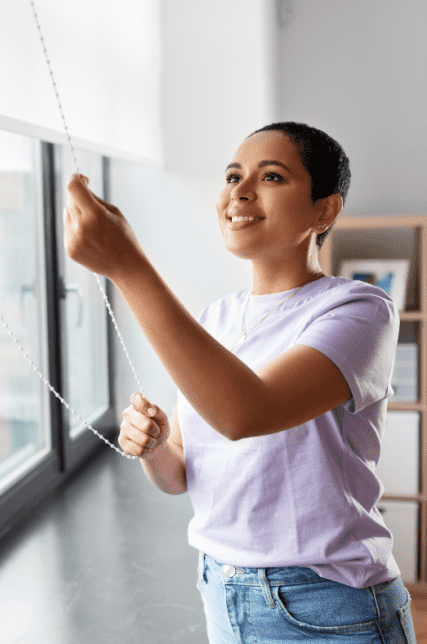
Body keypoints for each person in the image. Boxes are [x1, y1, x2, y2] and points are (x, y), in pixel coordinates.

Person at [64, 122, 417, 643]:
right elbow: (180, 473)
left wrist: (128, 266)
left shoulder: (359, 310)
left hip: (329, 604)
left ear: (325, 210)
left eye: (271, 176)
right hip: (222, 591)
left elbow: (246, 413)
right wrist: (154, 448)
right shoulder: (214, 321)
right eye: (232, 175)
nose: (239, 191)